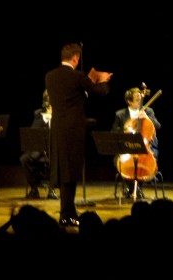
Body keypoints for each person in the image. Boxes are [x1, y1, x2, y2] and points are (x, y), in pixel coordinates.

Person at [44, 42, 111, 227]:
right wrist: (102, 79)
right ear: (75, 58)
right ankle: (66, 214)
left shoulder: (50, 76)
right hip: (72, 130)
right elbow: (100, 92)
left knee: (65, 171)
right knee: (71, 171)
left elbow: (72, 94)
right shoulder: (77, 76)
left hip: (57, 129)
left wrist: (86, 79)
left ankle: (69, 211)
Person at [111, 86, 161, 199]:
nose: (140, 102)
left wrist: (147, 118)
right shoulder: (120, 114)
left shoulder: (148, 111)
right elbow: (114, 131)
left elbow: (158, 125)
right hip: (127, 147)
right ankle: (130, 187)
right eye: (137, 100)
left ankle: (136, 187)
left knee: (143, 162)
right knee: (119, 161)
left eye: (140, 99)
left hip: (146, 148)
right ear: (129, 101)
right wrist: (126, 127)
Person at [19, 90, 56, 200]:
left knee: (55, 159)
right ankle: (34, 188)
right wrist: (45, 119)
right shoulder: (38, 114)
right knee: (24, 159)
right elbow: (33, 134)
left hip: (55, 150)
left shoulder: (61, 114)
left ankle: (52, 190)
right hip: (40, 150)